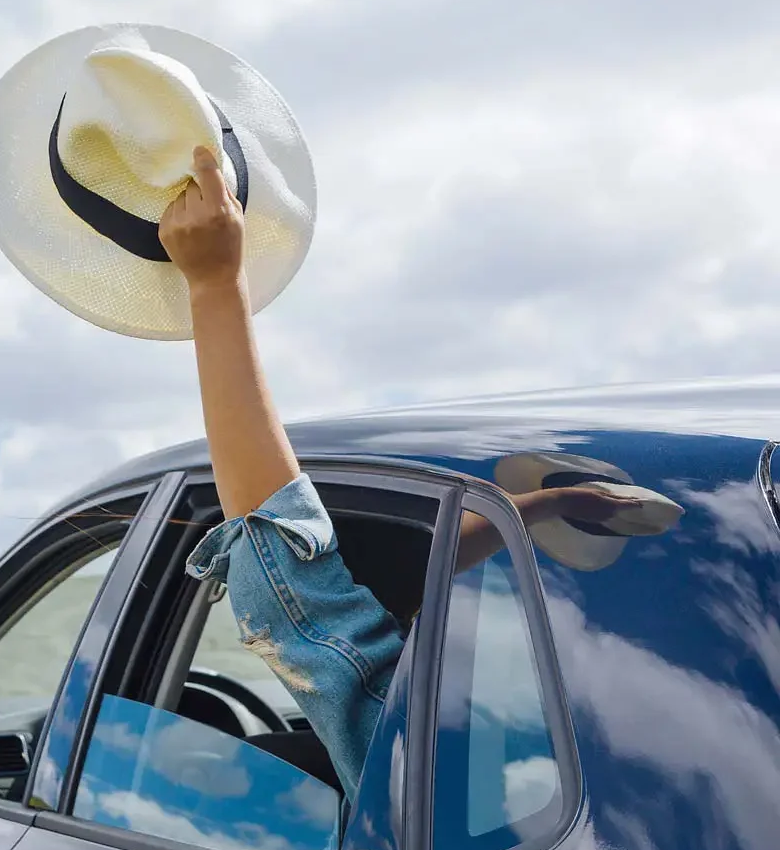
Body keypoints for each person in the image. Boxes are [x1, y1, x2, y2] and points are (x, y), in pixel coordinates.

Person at [156, 145, 635, 798]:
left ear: (395, 616)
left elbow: (287, 588)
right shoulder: (610, 743)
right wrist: (539, 506)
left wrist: (214, 286)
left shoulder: (432, 764)